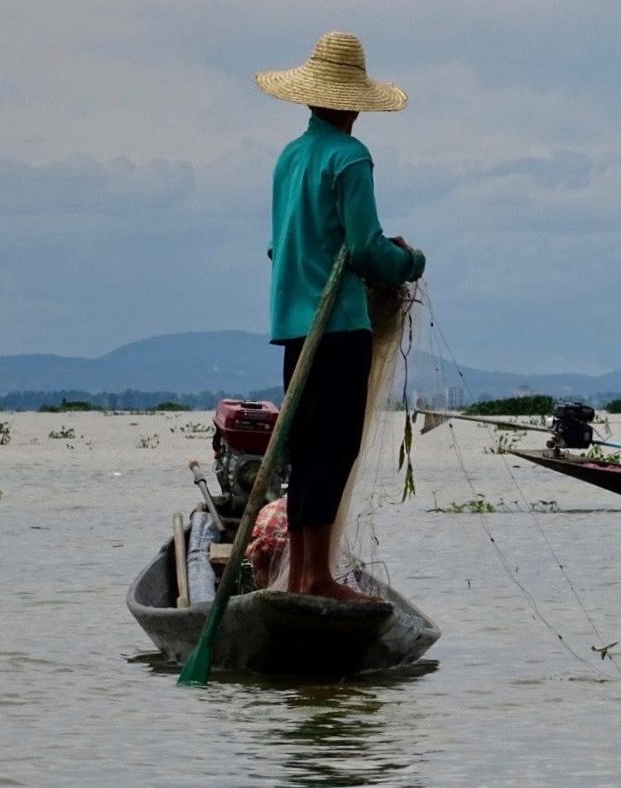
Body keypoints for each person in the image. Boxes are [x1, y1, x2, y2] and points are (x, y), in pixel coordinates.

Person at [255, 31, 425, 600]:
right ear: (352, 101)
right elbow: (365, 249)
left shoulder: (291, 157)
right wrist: (410, 260)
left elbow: (286, 244)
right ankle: (316, 579)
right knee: (334, 450)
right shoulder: (349, 157)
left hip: (295, 329)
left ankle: (302, 578)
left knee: (306, 451)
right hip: (340, 326)